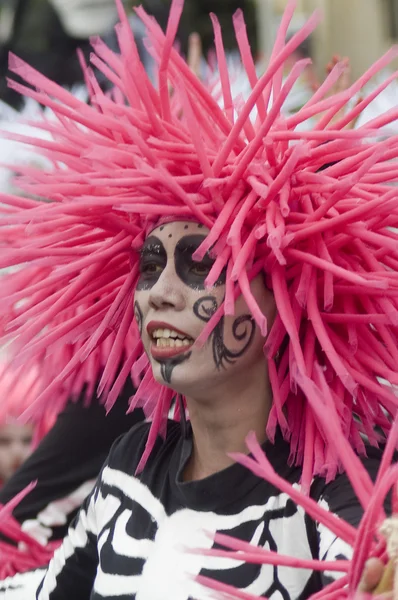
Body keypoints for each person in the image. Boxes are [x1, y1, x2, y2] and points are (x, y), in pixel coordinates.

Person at [0, 0, 397, 598]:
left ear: (284, 298)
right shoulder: (130, 460)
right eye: (150, 265)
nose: (160, 292)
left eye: (202, 264)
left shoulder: (339, 488)